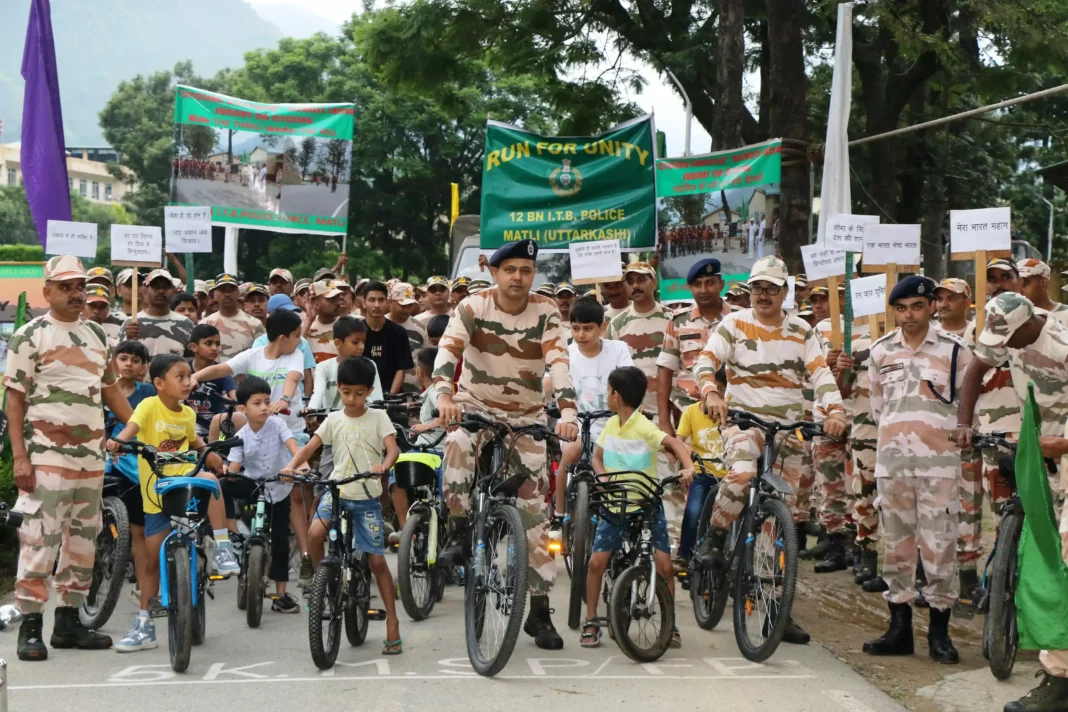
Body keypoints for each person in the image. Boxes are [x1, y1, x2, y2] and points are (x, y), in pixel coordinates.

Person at [692, 256, 847, 645]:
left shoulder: (802, 330)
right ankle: (714, 536)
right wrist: (712, 392)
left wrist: (836, 411)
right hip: (744, 422)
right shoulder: (734, 324)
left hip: (789, 430)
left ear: (784, 293)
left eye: (772, 288)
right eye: (758, 287)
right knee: (742, 474)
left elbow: (821, 373)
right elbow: (706, 361)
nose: (764, 294)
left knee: (782, 522)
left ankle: (777, 610)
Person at [434, 238, 578, 650]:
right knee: (458, 442)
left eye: (526, 270)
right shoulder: (474, 306)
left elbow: (559, 362)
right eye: (510, 269)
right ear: (494, 273)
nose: (518, 277)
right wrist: (443, 394)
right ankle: (459, 530)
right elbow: (449, 348)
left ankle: (538, 608)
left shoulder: (547, 310)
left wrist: (567, 414)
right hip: (474, 405)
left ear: (534, 276)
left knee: (535, 512)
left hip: (527, 415)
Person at [5, 255, 135, 661]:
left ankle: (68, 622)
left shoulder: (97, 334)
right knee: (39, 539)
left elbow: (111, 390)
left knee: (83, 541)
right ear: (47, 292)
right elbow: (14, 400)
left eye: (80, 286)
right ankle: (30, 626)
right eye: (66, 286)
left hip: (91, 459)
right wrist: (20, 458)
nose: (76, 293)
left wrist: (144, 427)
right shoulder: (30, 336)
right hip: (46, 456)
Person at [861, 275, 971, 664]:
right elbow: (877, 408)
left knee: (940, 546)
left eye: (917, 307)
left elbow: (965, 406)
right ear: (894, 311)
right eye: (902, 308)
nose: (909, 315)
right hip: (893, 462)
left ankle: (939, 632)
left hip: (939, 464)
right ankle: (899, 629)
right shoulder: (880, 352)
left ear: (931, 308)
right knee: (896, 546)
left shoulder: (956, 351)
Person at [108, 354, 235, 653]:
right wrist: (118, 441)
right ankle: (144, 626)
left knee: (211, 480)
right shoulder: (149, 406)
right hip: (156, 491)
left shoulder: (188, 414)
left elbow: (194, 442)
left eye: (188, 376)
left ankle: (223, 547)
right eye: (180, 376)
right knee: (152, 562)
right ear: (159, 383)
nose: (188, 382)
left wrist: (216, 459)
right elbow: (133, 428)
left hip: (184, 482)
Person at [283, 357, 404, 655]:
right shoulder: (334, 419)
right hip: (336, 493)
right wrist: (290, 466)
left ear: (369, 391)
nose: (352, 399)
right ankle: (328, 577)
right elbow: (310, 447)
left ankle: (393, 623)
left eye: (359, 393)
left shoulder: (378, 418)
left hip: (366, 499)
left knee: (377, 562)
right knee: (313, 534)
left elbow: (393, 450)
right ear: (339, 388)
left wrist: (383, 466)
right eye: (346, 392)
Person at [581, 366, 694, 648]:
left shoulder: (644, 426)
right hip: (615, 505)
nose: (607, 396)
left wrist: (688, 467)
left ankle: (671, 623)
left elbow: (673, 443)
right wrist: (603, 477)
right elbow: (597, 458)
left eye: (608, 391)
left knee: (665, 566)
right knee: (597, 563)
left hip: (646, 504)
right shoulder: (610, 425)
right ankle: (591, 619)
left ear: (616, 396)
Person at [606, 262, 684, 552]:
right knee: (628, 480)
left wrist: (669, 415)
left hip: (663, 413)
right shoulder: (617, 323)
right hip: (629, 416)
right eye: (631, 280)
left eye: (642, 279)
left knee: (668, 482)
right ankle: (629, 545)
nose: (636, 285)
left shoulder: (671, 319)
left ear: (654, 283)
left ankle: (671, 547)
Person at [226, 377, 306, 613]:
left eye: (266, 402)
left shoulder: (278, 424)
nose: (264, 407)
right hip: (253, 485)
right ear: (243, 409)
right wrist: (229, 472)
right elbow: (234, 465)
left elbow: (293, 448)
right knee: (220, 485)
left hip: (279, 487)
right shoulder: (240, 435)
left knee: (280, 541)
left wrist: (297, 466)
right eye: (256, 403)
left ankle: (280, 594)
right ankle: (231, 535)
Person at [552, 298, 633, 520]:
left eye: (588, 328)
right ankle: (559, 512)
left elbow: (630, 378)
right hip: (575, 422)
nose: (581, 335)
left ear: (602, 327)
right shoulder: (565, 353)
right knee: (570, 450)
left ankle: (608, 511)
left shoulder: (618, 349)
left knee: (608, 462)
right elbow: (548, 382)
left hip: (610, 422)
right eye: (576, 328)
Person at [192, 309, 306, 446]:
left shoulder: (296, 355)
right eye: (297, 336)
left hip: (291, 431)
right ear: (282, 338)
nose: (299, 341)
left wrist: (284, 400)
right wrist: (194, 377)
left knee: (291, 467)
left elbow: (292, 379)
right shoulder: (252, 355)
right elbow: (219, 369)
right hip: (258, 432)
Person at [106, 341, 161, 616]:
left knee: (139, 530)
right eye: (123, 358)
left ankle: (145, 589)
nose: (129, 363)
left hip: (138, 469)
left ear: (144, 367)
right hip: (106, 469)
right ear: (113, 360)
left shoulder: (149, 393)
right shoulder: (102, 391)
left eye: (136, 360)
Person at [656, 258, 732, 439]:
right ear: (690, 288)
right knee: (690, 466)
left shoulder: (738, 318)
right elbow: (665, 372)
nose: (703, 290)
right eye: (697, 284)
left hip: (732, 413)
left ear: (721, 284)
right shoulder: (678, 321)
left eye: (710, 283)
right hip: (687, 414)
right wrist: (664, 423)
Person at [675, 380, 728, 566]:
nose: (717, 394)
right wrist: (686, 451)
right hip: (703, 471)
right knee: (693, 510)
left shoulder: (732, 412)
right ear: (700, 391)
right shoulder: (691, 412)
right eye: (713, 390)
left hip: (729, 474)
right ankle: (685, 554)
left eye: (721, 389)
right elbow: (678, 440)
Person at [121, 269, 194, 358]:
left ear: (174, 291)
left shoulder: (186, 324)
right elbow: (119, 359)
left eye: (166, 287)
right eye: (156, 287)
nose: (161, 291)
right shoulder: (132, 323)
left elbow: (191, 361)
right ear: (145, 290)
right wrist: (128, 340)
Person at [184, 324, 238, 440]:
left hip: (217, 428)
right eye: (209, 343)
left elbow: (236, 400)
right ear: (194, 347)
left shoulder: (222, 373)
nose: (215, 348)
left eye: (217, 344)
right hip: (187, 426)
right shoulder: (184, 370)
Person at [363, 281, 415, 395]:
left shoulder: (398, 332)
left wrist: (391, 397)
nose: (376, 305)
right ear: (364, 303)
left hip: (391, 396)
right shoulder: (357, 331)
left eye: (381, 300)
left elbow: (401, 369)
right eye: (372, 300)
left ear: (388, 303)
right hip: (362, 394)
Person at [201, 274, 265, 361]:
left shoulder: (254, 324)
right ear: (215, 294)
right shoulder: (205, 324)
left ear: (238, 293)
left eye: (231, 290)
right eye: (223, 290)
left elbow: (261, 356)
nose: (227, 294)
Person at [387, 282, 427, 394]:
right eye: (403, 305)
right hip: (386, 389)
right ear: (390, 302)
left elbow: (425, 358)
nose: (407, 309)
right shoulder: (381, 324)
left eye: (410, 305)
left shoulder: (420, 328)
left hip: (414, 392)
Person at [1018, 258, 1068, 327]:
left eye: (1025, 283)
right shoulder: (1015, 317)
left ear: (1043, 282)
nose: (1020, 289)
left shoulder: (1065, 315)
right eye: (1017, 284)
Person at [305, 280, 342, 363]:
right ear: (316, 304)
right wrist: (309, 319)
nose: (338, 303)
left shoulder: (345, 325)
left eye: (338, 298)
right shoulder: (307, 327)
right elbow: (297, 348)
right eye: (332, 300)